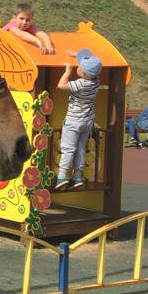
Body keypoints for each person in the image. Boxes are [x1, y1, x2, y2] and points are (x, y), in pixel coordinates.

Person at [53, 49, 102, 191]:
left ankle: (62, 177)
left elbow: (61, 85)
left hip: (73, 122)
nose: (78, 67)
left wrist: (68, 71)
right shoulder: (95, 82)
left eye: (80, 67)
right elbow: (95, 62)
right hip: (87, 122)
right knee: (80, 148)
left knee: (68, 149)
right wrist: (77, 55)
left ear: (84, 73)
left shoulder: (80, 84)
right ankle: (78, 177)